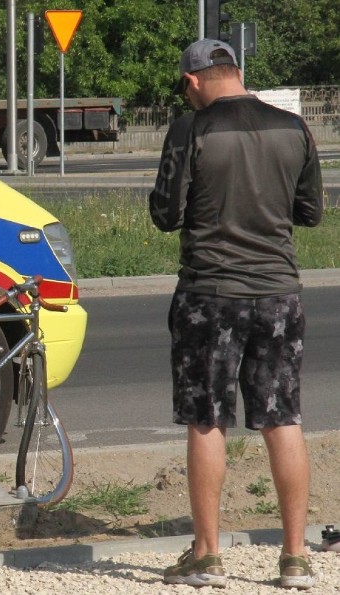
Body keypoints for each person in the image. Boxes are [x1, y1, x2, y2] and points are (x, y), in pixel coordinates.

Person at [149, 38, 324, 590]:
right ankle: (294, 557)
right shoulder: (293, 128)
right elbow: (311, 212)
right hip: (279, 293)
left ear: (194, 81)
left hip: (210, 294)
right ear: (237, 72)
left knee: (208, 419)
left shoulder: (189, 129)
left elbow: (165, 212)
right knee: (283, 417)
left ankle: (206, 555)